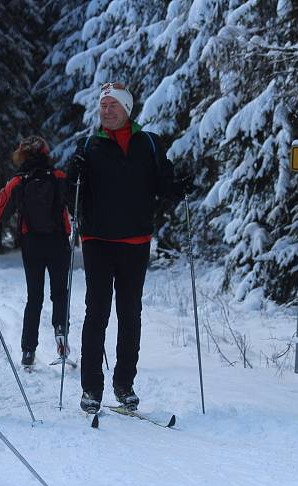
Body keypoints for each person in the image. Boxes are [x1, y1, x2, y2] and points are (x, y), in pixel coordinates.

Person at [68, 82, 175, 414]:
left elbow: (164, 188)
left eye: (113, 105)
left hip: (136, 242)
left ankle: (124, 384)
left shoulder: (148, 144)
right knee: (96, 314)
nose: (107, 110)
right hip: (98, 241)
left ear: (128, 109)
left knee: (130, 315)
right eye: (103, 106)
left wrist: (179, 186)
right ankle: (91, 388)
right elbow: (69, 196)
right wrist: (74, 178)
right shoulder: (88, 145)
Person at [0, 135, 71, 369]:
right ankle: (61, 332)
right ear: (46, 153)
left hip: (32, 243)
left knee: (34, 297)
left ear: (22, 155)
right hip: (58, 241)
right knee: (59, 292)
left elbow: (0, 214)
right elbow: (78, 205)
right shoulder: (59, 177)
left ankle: (28, 350)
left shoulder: (19, 181)